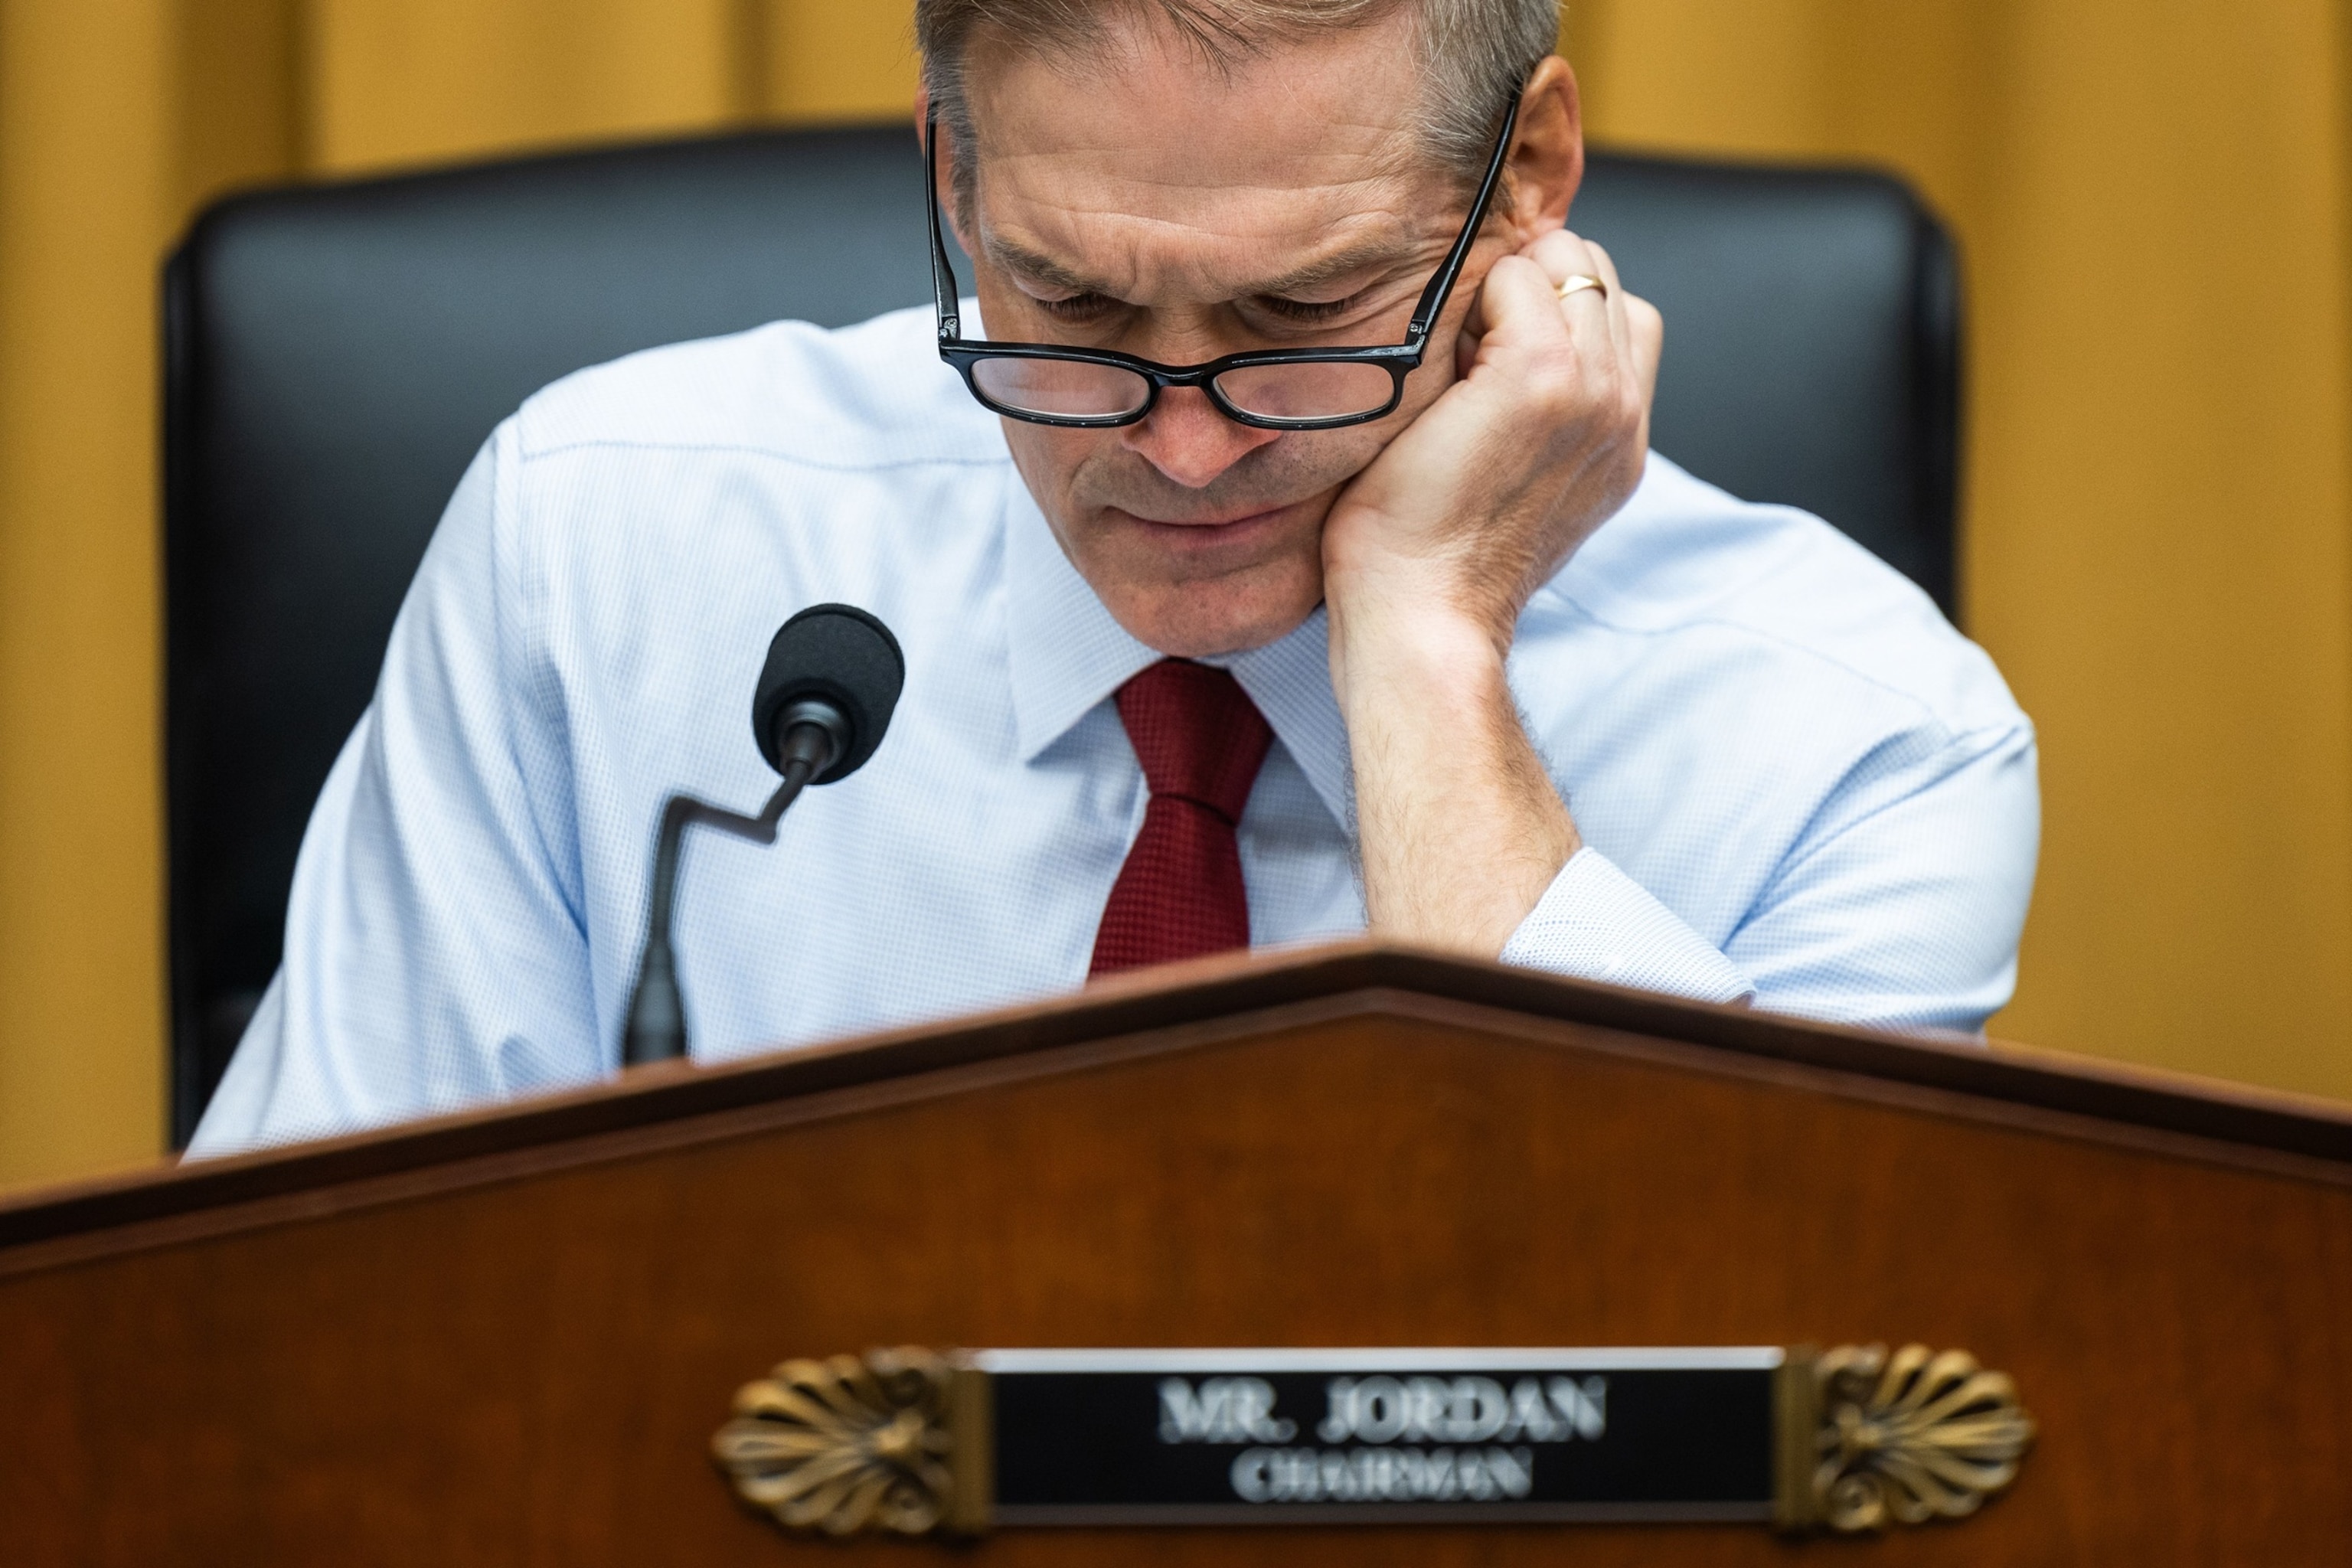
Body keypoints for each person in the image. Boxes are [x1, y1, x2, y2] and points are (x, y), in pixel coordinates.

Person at [188, 0, 2037, 1156]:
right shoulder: (601, 552)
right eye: (1066, 303)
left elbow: (1709, 1395)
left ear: (1531, 176)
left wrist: (1428, 648)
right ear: (949, 183)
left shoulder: (1858, 737)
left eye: (1304, 315)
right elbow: (289, 1364)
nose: (1181, 447)